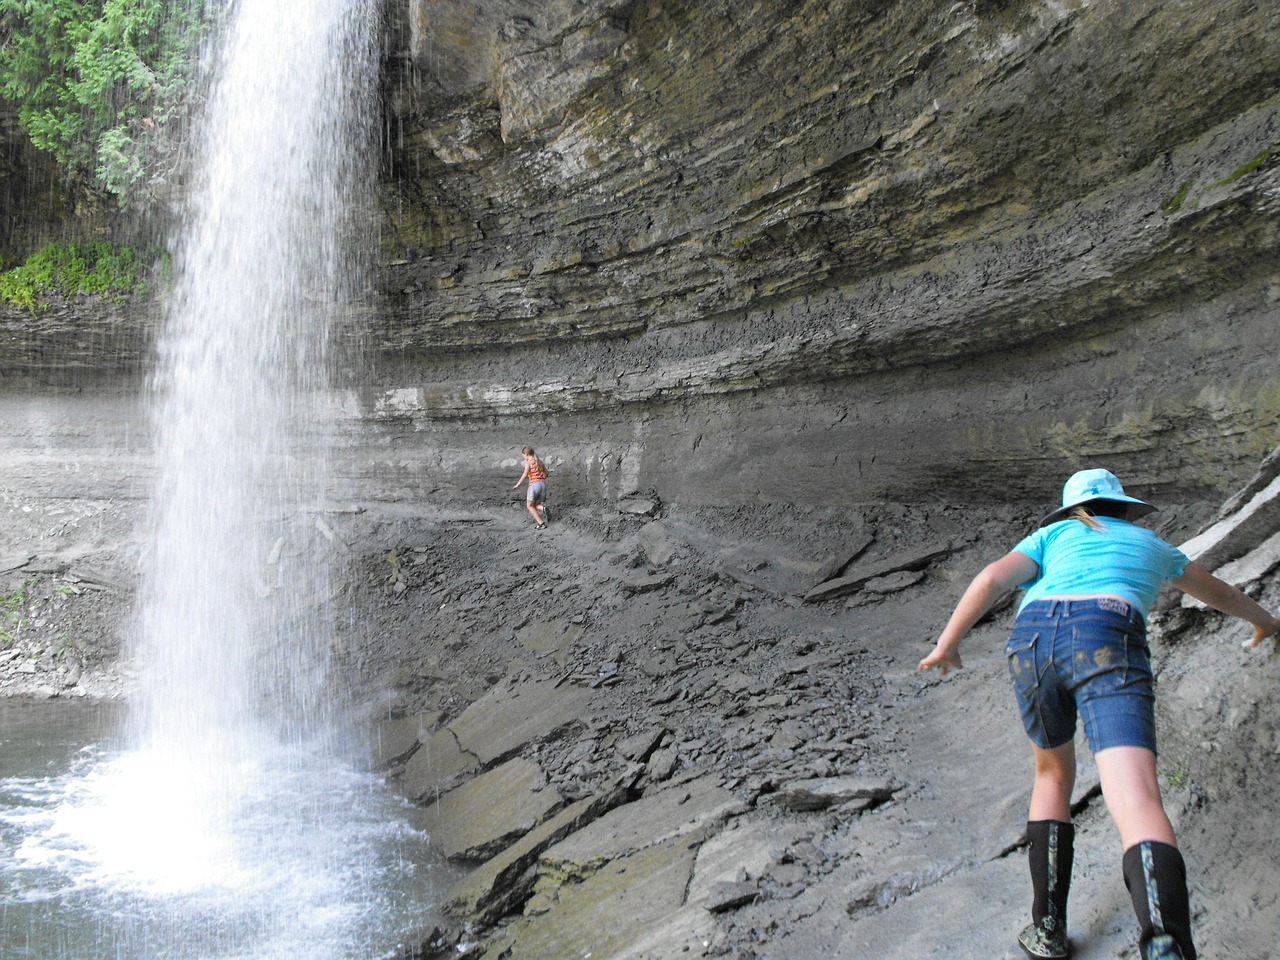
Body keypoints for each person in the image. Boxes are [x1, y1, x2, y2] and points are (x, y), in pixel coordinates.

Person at [918, 468, 1280, 960]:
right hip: (1107, 632)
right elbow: (1220, 593)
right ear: (1124, 508)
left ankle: (1047, 932)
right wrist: (1266, 621)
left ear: (1072, 510)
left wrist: (947, 644)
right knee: (1135, 796)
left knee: (1051, 774)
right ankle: (1166, 945)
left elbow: (992, 578)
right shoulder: (1152, 545)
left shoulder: (1052, 534)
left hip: (1031, 639)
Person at [512, 446, 549, 529]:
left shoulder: (529, 462)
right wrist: (540, 479)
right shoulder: (539, 462)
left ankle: (541, 523)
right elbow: (546, 473)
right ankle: (543, 508)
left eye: (523, 456)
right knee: (536, 504)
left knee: (529, 506)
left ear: (526, 454)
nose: (524, 457)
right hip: (542, 485)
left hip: (534, 485)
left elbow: (525, 474)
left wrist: (517, 484)